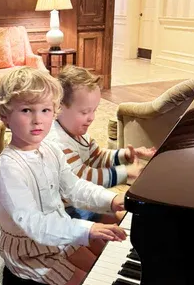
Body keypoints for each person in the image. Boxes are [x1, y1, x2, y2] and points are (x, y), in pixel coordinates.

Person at [0, 67, 127, 285]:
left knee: (101, 267)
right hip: (28, 251)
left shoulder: (51, 150)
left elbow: (74, 187)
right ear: (5, 116)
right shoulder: (9, 169)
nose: (37, 120)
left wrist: (112, 200)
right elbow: (34, 224)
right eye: (26, 110)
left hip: (59, 232)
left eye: (45, 110)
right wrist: (87, 229)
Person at [46, 65, 155, 222]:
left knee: (123, 218)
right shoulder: (57, 142)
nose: (91, 118)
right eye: (85, 112)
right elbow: (83, 179)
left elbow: (98, 156)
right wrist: (125, 172)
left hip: (78, 203)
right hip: (60, 212)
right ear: (58, 107)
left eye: (94, 110)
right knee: (108, 229)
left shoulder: (78, 133)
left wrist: (125, 155)